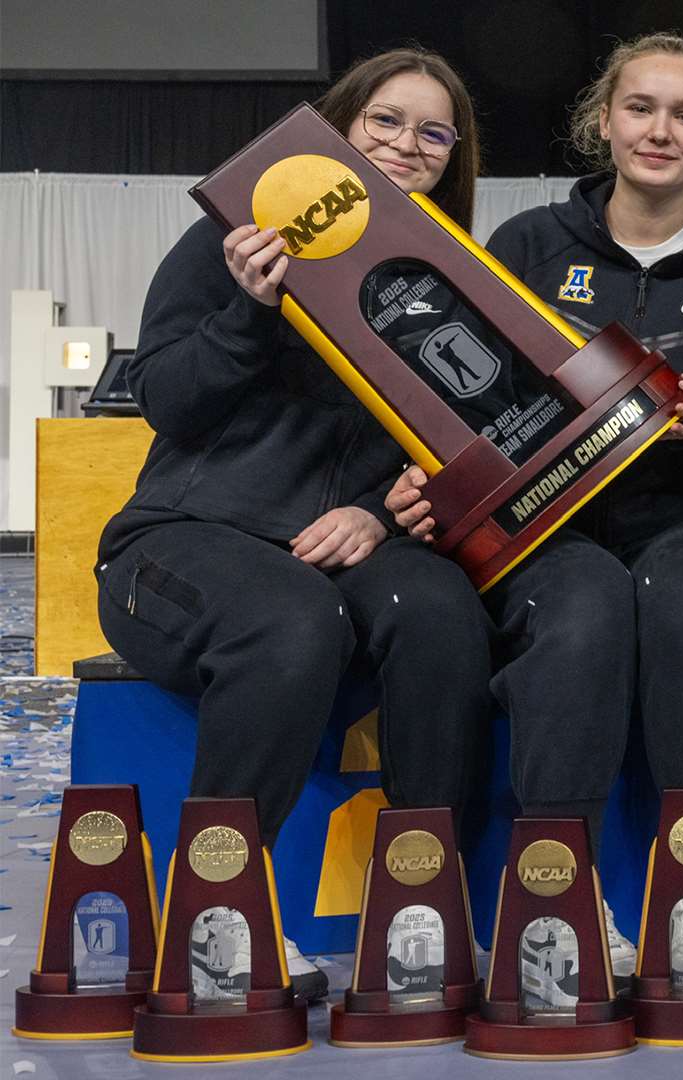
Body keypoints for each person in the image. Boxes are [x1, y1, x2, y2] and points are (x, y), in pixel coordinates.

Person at [95, 48, 496, 1003]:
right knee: (292, 619)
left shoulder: (443, 285)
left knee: (439, 609)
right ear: (341, 126)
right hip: (177, 547)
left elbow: (450, 451)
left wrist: (376, 514)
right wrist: (247, 311)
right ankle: (216, 915)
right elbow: (166, 403)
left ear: (454, 158)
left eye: (432, 133)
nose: (406, 146)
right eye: (385, 122)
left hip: (336, 553)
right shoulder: (234, 242)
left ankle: (423, 905)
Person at [385, 33, 683, 979]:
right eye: (641, 108)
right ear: (604, 121)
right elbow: (460, 398)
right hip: (547, 528)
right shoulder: (527, 246)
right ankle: (557, 893)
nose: (660, 131)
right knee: (585, 605)